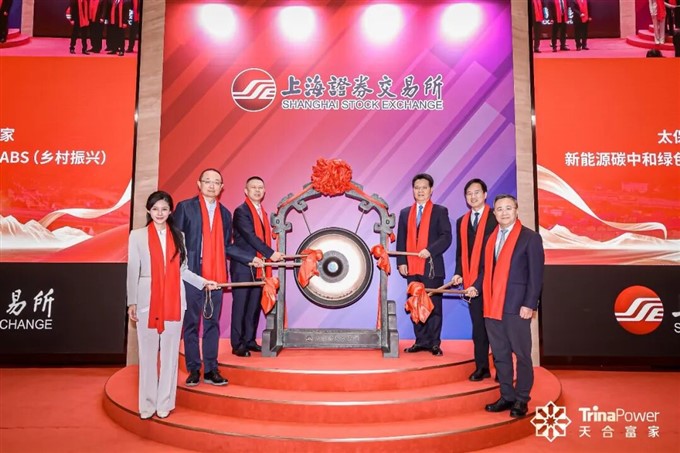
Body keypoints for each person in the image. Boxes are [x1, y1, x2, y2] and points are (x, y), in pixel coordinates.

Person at [127, 191, 218, 420]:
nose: (160, 213)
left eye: (164, 209)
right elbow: (133, 270)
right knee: (147, 356)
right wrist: (132, 301)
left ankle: (165, 403)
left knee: (169, 357)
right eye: (155, 209)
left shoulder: (179, 236)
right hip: (147, 300)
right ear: (149, 211)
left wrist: (203, 282)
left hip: (175, 301)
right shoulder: (137, 236)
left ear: (170, 212)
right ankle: (147, 404)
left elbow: (183, 271)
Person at [174, 168, 261, 387]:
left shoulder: (225, 213)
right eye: (207, 181)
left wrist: (250, 258)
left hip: (217, 274)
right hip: (192, 273)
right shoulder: (185, 207)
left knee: (212, 323)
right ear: (199, 184)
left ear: (222, 187)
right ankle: (194, 369)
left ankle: (211, 369)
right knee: (191, 324)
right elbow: (175, 242)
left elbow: (227, 247)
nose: (212, 185)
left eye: (216, 182)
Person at [465, 195, 544, 418]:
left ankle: (522, 399)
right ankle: (507, 395)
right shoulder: (491, 238)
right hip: (492, 305)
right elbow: (485, 271)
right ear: (494, 213)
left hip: (516, 307)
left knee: (522, 355)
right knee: (500, 355)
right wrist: (475, 287)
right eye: (499, 209)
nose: (504, 212)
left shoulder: (530, 238)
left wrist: (529, 304)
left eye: (508, 208)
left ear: (516, 210)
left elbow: (536, 276)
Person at [397, 173, 452, 356]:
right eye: (417, 188)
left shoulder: (440, 211)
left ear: (431, 190)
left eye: (424, 187)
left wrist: (430, 250)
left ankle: (434, 343)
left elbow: (446, 237)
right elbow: (401, 239)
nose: (420, 191)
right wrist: (401, 262)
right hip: (412, 267)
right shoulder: (405, 213)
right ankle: (421, 341)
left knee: (433, 305)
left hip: (432, 266)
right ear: (413, 190)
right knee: (415, 304)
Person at [230, 176, 283, 357]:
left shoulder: (263, 212)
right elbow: (250, 237)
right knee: (241, 306)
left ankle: (249, 340)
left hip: (259, 266)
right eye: (253, 187)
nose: (257, 190)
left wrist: (268, 255)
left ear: (264, 191)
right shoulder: (241, 211)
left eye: (260, 187)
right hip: (243, 265)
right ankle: (238, 344)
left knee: (253, 305)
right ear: (246, 191)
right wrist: (271, 253)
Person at [451, 179, 498, 381]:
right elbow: (461, 252)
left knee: (495, 328)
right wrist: (459, 273)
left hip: (493, 282)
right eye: (469, 193)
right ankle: (482, 367)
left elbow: (497, 255)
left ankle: (502, 369)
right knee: (478, 329)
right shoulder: (461, 221)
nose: (473, 196)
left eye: (477, 192)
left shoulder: (496, 218)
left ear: (485, 194)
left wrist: (479, 283)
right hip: (471, 282)